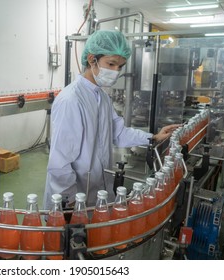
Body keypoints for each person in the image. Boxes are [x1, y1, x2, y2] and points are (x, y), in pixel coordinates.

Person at [43, 30, 180, 210]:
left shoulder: (102, 96)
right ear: (92, 59)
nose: (116, 71)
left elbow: (118, 132)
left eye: (120, 66)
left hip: (97, 192)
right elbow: (60, 161)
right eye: (111, 64)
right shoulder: (71, 100)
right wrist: (68, 202)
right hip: (72, 200)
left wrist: (152, 137)